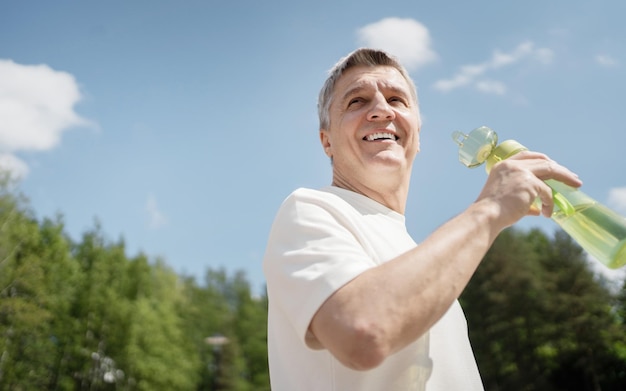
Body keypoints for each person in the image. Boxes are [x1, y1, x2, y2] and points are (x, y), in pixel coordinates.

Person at [262, 48, 582, 390]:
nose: (381, 110)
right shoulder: (310, 209)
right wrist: (490, 209)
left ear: (417, 136)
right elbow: (361, 333)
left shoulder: (419, 256)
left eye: (397, 100)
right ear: (327, 141)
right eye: (356, 101)